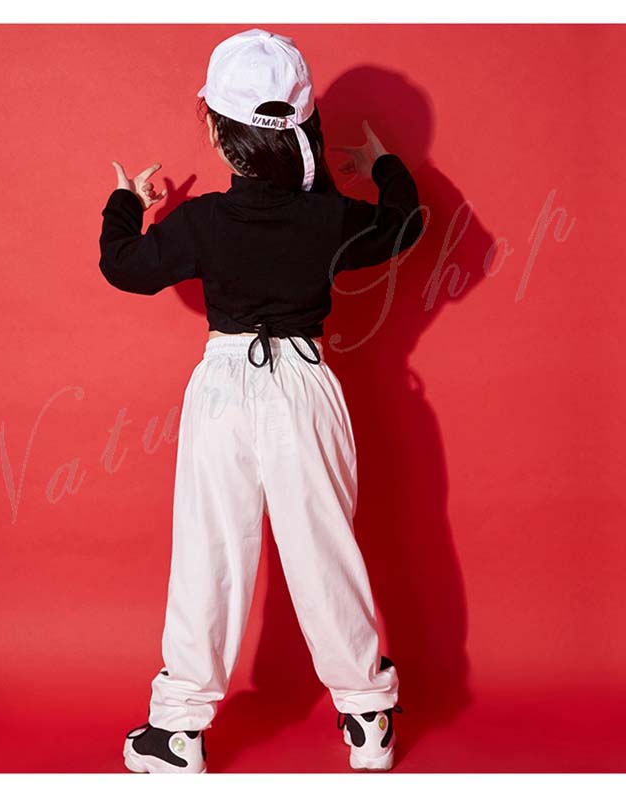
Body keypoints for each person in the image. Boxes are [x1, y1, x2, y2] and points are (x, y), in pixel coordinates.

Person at [98, 28, 423, 774]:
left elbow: (125, 267)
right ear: (304, 126)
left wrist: (125, 202)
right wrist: (384, 165)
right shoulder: (327, 218)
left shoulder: (204, 221)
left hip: (223, 388)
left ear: (218, 133)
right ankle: (368, 716)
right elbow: (403, 224)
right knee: (326, 549)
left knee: (208, 552)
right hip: (307, 383)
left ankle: (179, 730)